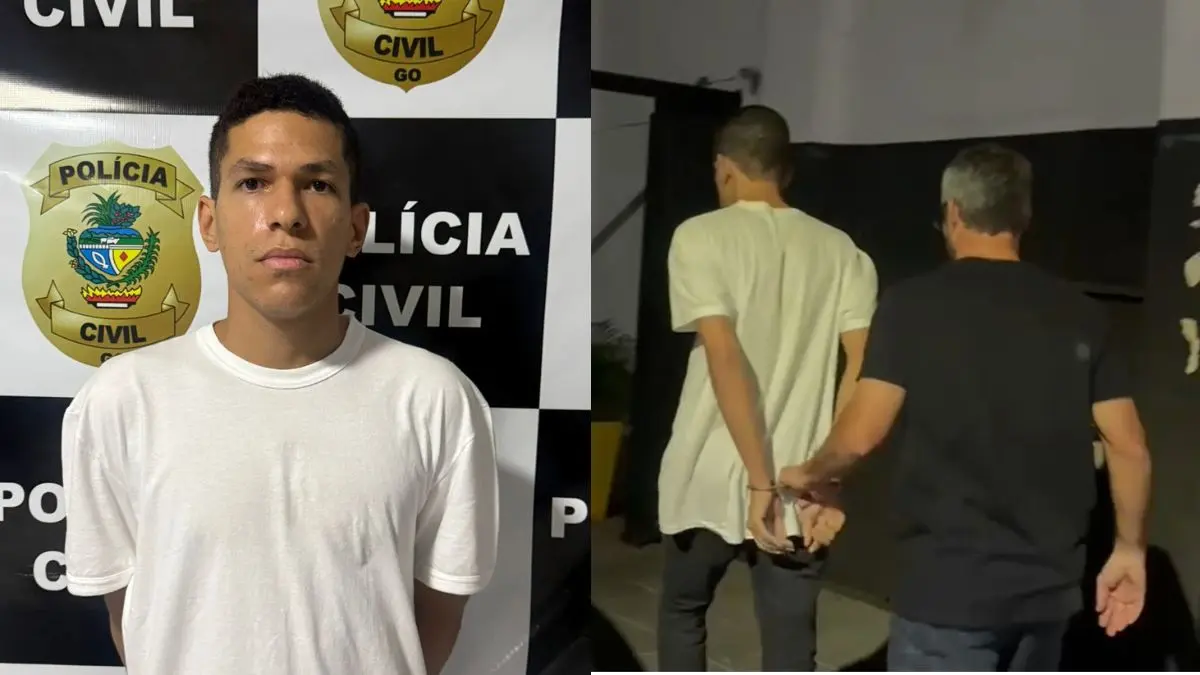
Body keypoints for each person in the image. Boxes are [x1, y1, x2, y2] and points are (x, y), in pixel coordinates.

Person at [60, 74, 499, 675]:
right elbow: (130, 617)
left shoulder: (434, 398)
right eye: (253, 183)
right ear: (208, 223)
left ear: (355, 227)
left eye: (318, 184)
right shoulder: (121, 399)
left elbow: (438, 615)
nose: (286, 214)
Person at [779, 142, 1151, 671]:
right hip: (1047, 595)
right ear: (1024, 216)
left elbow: (861, 435)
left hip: (947, 594)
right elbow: (1129, 446)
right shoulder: (1083, 314)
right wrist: (1130, 549)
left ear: (952, 212)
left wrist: (810, 475)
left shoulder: (911, 306)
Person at [655, 104, 879, 671]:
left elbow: (723, 354)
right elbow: (863, 364)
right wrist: (829, 477)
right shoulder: (842, 250)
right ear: (787, 171)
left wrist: (756, 481)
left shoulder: (699, 236)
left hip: (708, 471)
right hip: (801, 484)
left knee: (684, 612)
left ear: (724, 168)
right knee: (789, 642)